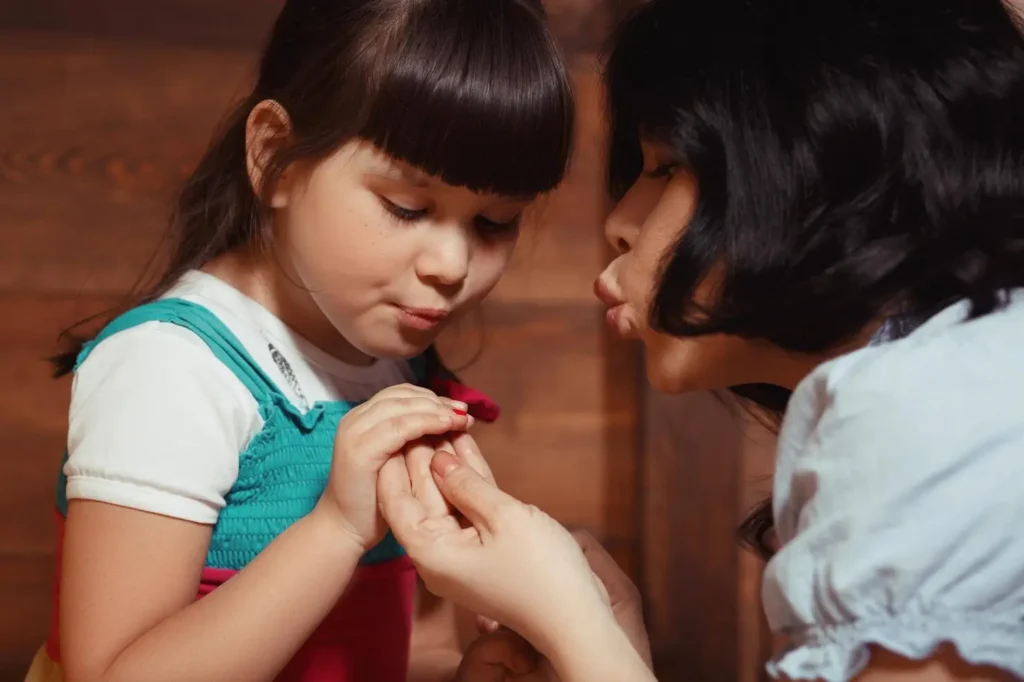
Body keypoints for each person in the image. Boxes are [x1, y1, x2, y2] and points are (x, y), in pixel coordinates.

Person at [377, 0, 1024, 680]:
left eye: (662, 168)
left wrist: (569, 621)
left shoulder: (929, 418)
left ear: (809, 159)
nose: (618, 224)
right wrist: (608, 649)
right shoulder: (959, 380)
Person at [24, 1, 574, 681]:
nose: (452, 265)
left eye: (495, 222)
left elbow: (411, 647)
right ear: (275, 156)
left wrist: (467, 670)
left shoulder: (396, 363)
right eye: (407, 207)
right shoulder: (171, 370)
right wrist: (335, 529)